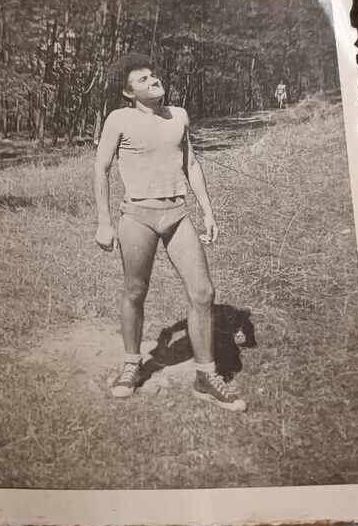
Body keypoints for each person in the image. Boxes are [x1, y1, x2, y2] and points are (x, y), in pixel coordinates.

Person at [94, 53, 247, 412]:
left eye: (154, 75)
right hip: (137, 216)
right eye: (143, 79)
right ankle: (132, 364)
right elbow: (100, 169)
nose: (153, 81)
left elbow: (190, 163)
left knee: (204, 292)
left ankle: (205, 375)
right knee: (135, 290)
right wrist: (104, 221)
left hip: (177, 214)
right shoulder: (119, 119)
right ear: (128, 92)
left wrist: (208, 211)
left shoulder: (178, 116)